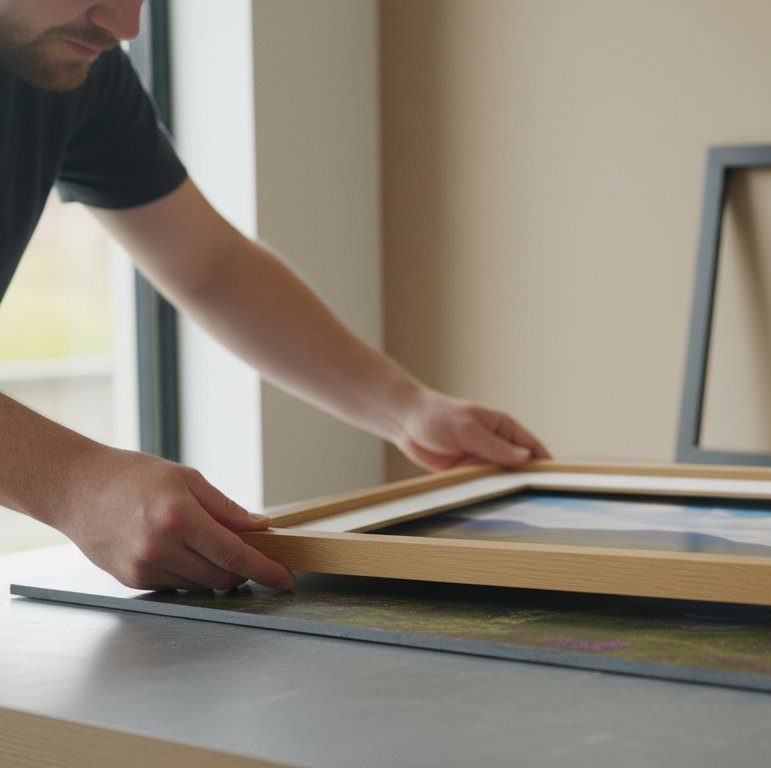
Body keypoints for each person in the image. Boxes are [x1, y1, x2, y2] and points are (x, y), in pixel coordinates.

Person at [0, 1, 549, 592]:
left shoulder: (74, 61)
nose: (127, 24)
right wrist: (76, 481)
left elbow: (212, 264)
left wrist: (405, 407)